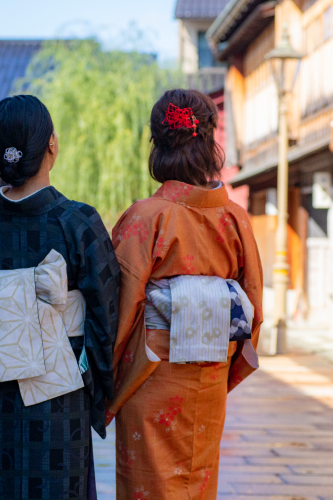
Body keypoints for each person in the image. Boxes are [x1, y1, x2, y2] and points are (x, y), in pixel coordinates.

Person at [0, 95, 120, 500]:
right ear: (52, 145)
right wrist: (97, 387)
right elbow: (106, 315)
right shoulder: (77, 221)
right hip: (60, 392)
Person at [108, 89, 264, 499]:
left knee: (148, 485)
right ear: (209, 142)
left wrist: (105, 381)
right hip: (208, 380)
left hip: (150, 375)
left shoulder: (144, 218)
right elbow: (253, 311)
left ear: (157, 146)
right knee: (197, 483)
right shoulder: (235, 219)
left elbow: (119, 313)